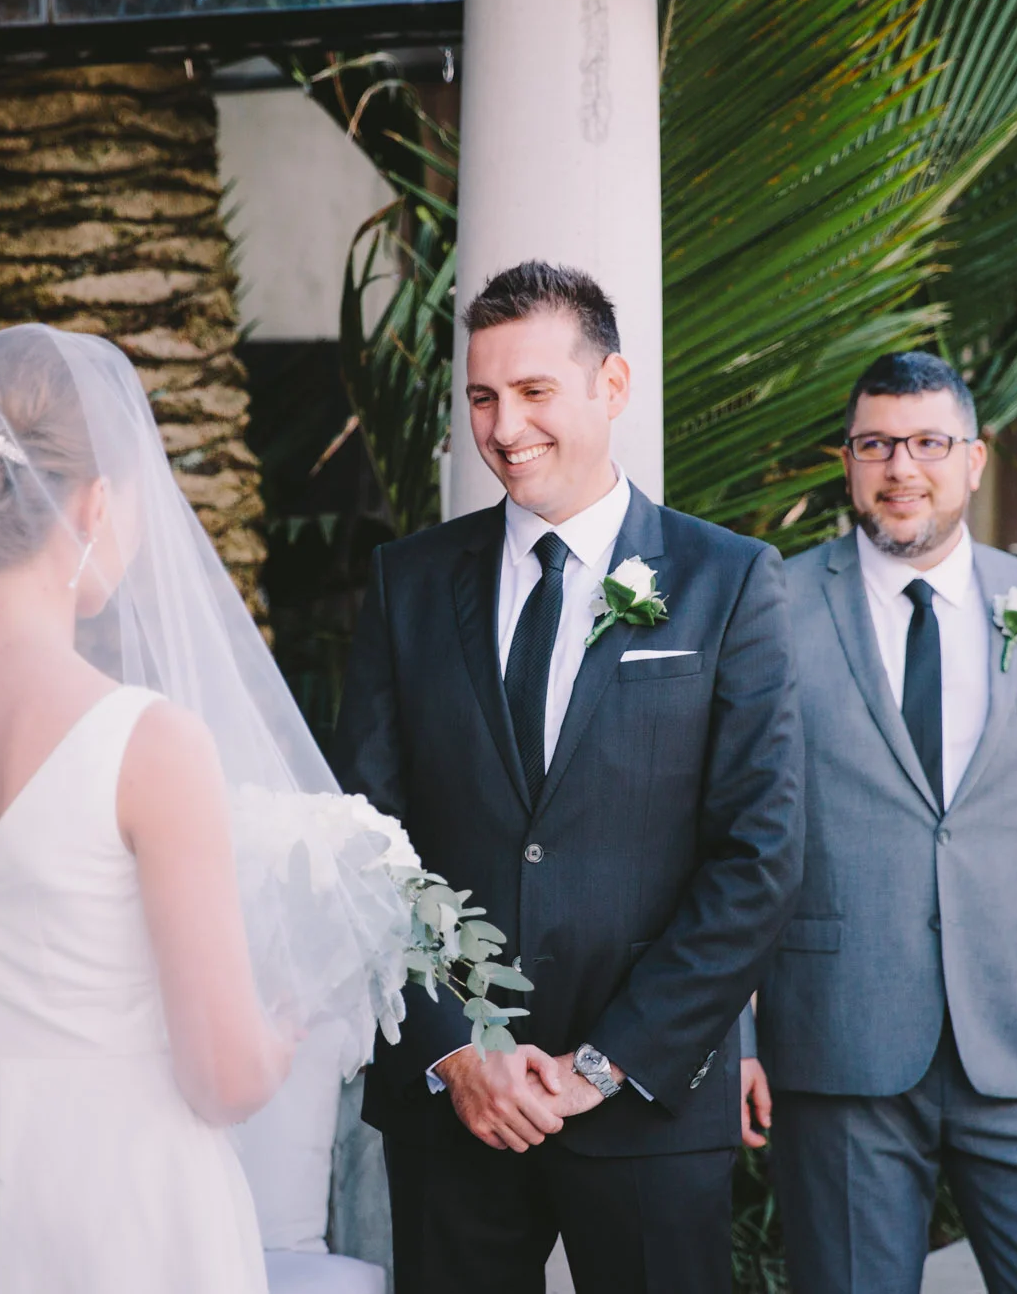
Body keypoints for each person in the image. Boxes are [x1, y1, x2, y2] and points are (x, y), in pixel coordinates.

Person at [0, 325, 343, 1293]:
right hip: (118, 1204)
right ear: (92, 503)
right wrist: (282, 1027)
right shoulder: (149, 743)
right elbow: (221, 1076)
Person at [334, 261, 803, 1294]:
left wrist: (604, 1063)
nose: (504, 427)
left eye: (534, 390)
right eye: (482, 396)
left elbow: (759, 858)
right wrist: (454, 1051)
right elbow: (364, 847)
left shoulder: (728, 581)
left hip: (645, 1103)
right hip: (455, 1109)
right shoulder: (407, 582)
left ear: (612, 385)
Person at [745, 351, 1017, 1294]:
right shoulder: (771, 604)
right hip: (838, 1040)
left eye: (929, 442)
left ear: (975, 457)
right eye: (876, 444)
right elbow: (729, 838)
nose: (902, 468)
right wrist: (737, 1038)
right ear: (847, 460)